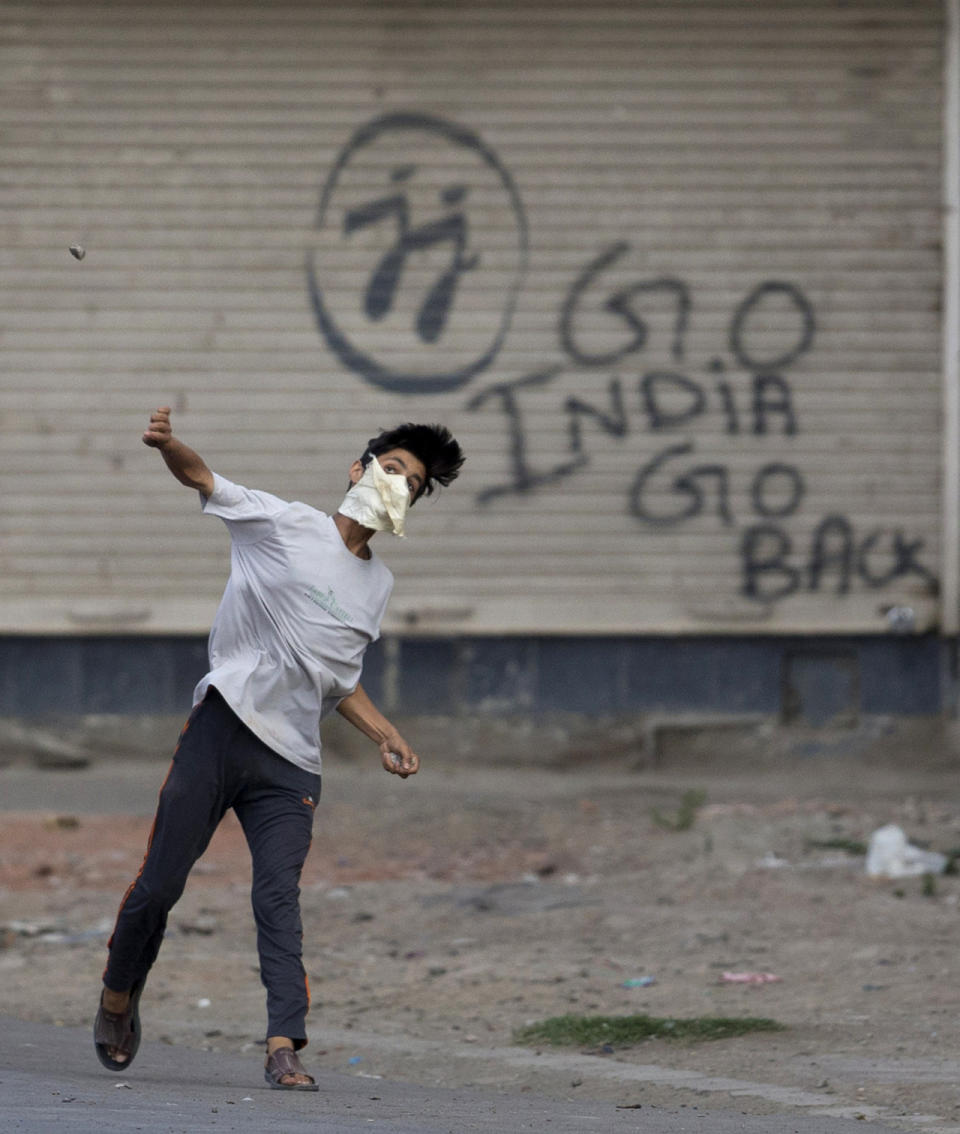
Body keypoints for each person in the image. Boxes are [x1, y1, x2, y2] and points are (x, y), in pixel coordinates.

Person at [93, 406, 464, 1090]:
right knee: (160, 885)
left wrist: (388, 735)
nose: (398, 486)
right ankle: (118, 994)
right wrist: (169, 446)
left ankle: (283, 1045)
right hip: (223, 727)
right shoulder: (283, 524)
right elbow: (202, 477)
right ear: (358, 471)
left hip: (290, 761)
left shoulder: (377, 585)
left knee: (278, 898)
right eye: (391, 469)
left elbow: (338, 678)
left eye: (412, 484)